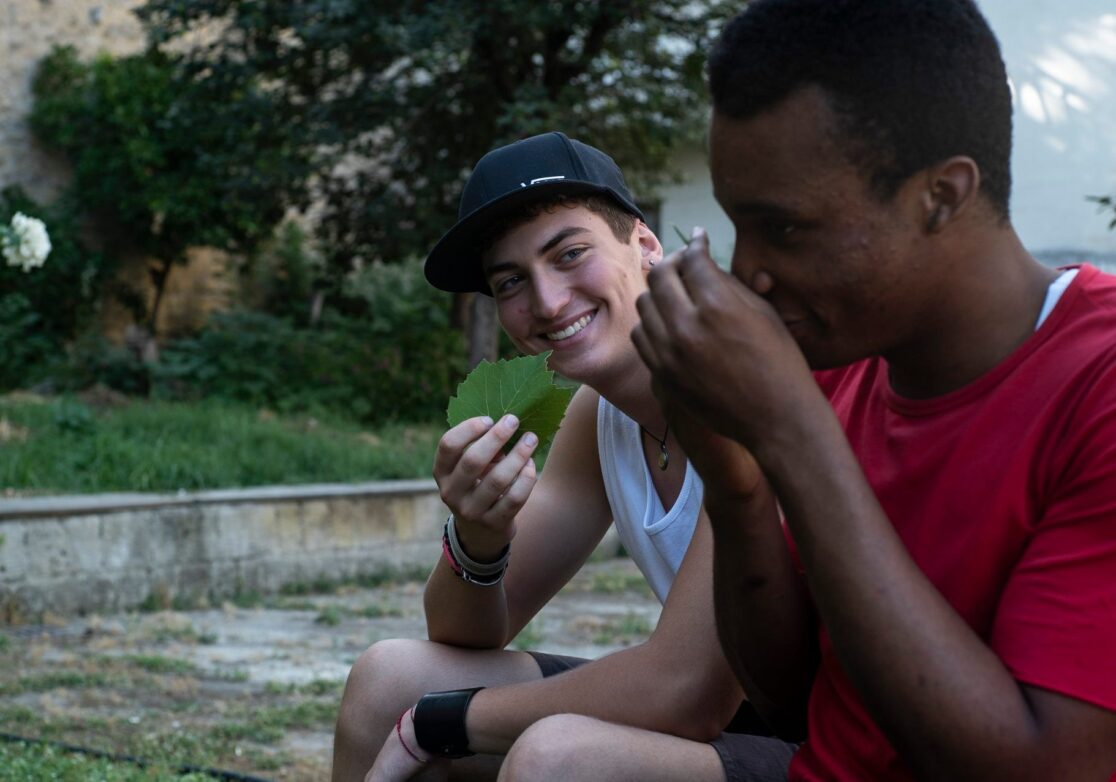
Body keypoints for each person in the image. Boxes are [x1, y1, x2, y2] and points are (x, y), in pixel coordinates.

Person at [625, 0, 1116, 780]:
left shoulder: (1099, 387)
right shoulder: (846, 351)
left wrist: (790, 429)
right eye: (735, 228)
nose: (748, 270)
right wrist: (734, 477)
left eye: (783, 229)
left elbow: (1047, 765)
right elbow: (792, 703)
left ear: (942, 195)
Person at [332, 132, 791, 782]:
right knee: (389, 678)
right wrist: (479, 535)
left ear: (645, 245)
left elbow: (685, 691)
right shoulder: (596, 418)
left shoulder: (742, 389)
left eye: (570, 253)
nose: (546, 302)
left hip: (831, 739)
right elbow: (464, 634)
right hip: (728, 723)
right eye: (511, 281)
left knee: (558, 760)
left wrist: (438, 724)